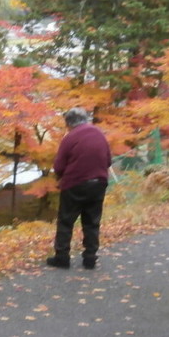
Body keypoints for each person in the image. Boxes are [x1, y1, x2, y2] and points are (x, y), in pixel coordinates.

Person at [47, 107, 112, 270]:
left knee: (66, 221)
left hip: (75, 184)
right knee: (92, 222)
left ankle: (62, 257)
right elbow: (108, 161)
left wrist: (61, 177)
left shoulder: (70, 137)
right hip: (98, 183)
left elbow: (59, 166)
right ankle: (90, 258)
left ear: (69, 123)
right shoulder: (100, 134)